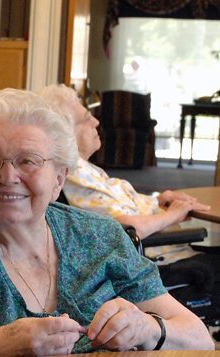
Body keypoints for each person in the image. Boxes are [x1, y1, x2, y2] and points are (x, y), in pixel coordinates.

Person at [0, 88, 214, 356]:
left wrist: (148, 329)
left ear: (59, 179)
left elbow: (199, 338)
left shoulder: (99, 237)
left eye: (28, 161)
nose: (8, 177)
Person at [37, 84, 211, 264]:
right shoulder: (73, 172)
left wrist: (157, 200)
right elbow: (127, 228)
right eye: (87, 118)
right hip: (153, 262)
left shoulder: (84, 167)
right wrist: (172, 215)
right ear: (66, 132)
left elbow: (113, 205)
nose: (96, 122)